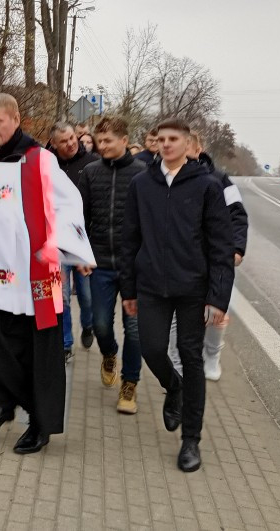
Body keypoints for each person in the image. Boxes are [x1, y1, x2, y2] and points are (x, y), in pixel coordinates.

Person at [0, 93, 96, 455]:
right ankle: (3, 398)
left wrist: (70, 251)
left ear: (14, 118)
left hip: (31, 272)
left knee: (34, 350)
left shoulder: (40, 160)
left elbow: (68, 204)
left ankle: (39, 423)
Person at [120, 118, 235, 473]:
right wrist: (129, 289)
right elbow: (129, 238)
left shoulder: (207, 186)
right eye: (161, 139)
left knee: (191, 356)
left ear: (187, 144)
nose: (166, 144)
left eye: (174, 139)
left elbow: (221, 245)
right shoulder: (142, 184)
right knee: (152, 348)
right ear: (154, 144)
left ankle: (191, 440)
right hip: (152, 285)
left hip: (192, 288)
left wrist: (218, 297)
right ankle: (174, 387)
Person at [76, 115, 146, 415]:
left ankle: (129, 385)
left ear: (124, 141)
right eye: (99, 140)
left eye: (107, 141)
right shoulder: (90, 172)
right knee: (101, 323)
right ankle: (108, 354)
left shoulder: (145, 174)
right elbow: (79, 218)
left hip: (136, 268)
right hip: (99, 263)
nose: (101, 146)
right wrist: (81, 254)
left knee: (135, 329)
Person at [167, 132, 248, 381]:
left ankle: (212, 353)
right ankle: (177, 365)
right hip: (179, 260)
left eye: (190, 150)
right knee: (175, 314)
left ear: (198, 149)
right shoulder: (165, 178)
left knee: (216, 312)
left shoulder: (220, 180)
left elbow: (237, 215)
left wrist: (237, 248)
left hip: (214, 258)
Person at [46, 120, 98, 358]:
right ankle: (65, 342)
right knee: (62, 296)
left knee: (87, 296)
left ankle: (87, 324)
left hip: (83, 240)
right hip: (56, 241)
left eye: (72, 139)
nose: (70, 144)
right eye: (64, 141)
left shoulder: (91, 164)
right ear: (54, 145)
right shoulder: (47, 165)